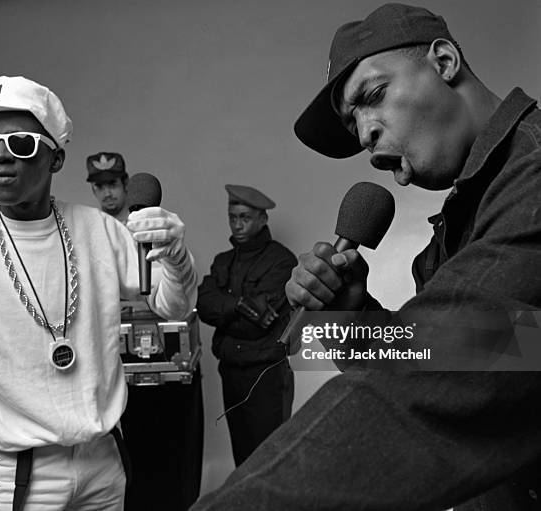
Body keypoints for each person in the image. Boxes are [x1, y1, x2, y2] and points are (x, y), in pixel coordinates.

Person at [191, 3, 541, 511]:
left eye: (373, 96)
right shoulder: (469, 211)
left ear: (443, 61)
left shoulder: (533, 177)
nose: (364, 136)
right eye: (353, 122)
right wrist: (351, 318)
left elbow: (426, 393)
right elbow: (481, 355)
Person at [0, 75, 197, 511]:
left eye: (20, 144)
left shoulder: (100, 231)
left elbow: (173, 305)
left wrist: (175, 255)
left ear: (56, 159)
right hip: (12, 474)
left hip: (103, 461)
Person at [197, 185, 296, 467]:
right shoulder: (222, 261)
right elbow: (203, 305)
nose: (237, 224)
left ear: (263, 219)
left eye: (245, 217)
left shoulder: (281, 261)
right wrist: (241, 305)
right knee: (242, 459)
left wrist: (224, 311)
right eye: (232, 217)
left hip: (266, 375)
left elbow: (256, 328)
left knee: (270, 460)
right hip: (231, 372)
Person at [86, 151, 130, 224]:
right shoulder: (92, 229)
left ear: (126, 183)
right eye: (99, 186)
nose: (107, 194)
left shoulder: (145, 222)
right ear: (93, 189)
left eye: (112, 184)